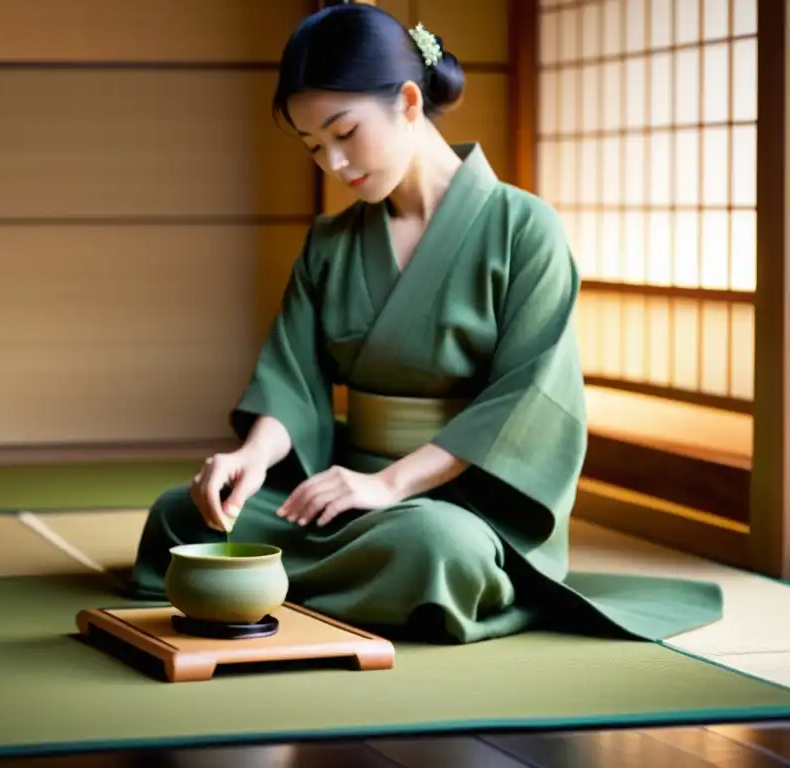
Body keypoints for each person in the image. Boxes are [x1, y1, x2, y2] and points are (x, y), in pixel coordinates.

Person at [124, 4, 723, 643]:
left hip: (462, 501)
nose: (333, 163)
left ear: (409, 102)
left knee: (433, 548)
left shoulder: (524, 230)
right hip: (341, 494)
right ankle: (339, 588)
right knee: (181, 519)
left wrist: (391, 483)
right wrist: (251, 456)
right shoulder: (332, 243)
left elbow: (526, 400)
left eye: (344, 132)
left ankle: (277, 589)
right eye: (313, 146)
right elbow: (291, 379)